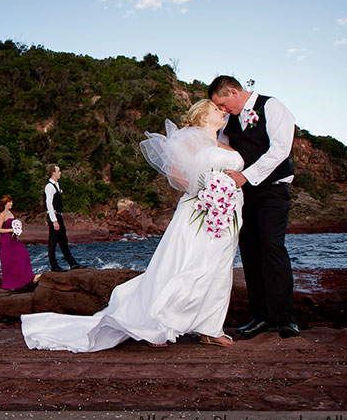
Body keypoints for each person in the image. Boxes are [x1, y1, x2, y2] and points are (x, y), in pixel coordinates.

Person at [22, 100, 240, 351]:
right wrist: (205, 190)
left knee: (220, 268)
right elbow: (175, 173)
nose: (221, 112)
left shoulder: (225, 144)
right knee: (188, 264)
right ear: (202, 117)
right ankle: (158, 322)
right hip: (199, 209)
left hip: (229, 213)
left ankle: (210, 328)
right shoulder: (191, 139)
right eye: (215, 109)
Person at [209, 75, 299, 339]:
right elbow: (225, 150)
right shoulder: (229, 121)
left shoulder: (272, 106)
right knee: (249, 251)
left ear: (235, 92)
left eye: (223, 104)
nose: (223, 110)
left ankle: (285, 318)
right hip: (243, 193)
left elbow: (280, 149)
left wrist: (246, 175)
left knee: (272, 247)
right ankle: (261, 316)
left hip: (272, 190)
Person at [0, 195, 40, 291]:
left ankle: (28, 278)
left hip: (14, 239)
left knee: (24, 255)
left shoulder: (10, 213)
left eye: (11, 202)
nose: (11, 203)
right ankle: (12, 284)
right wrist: (11, 230)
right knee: (10, 261)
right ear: (5, 204)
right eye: (9, 202)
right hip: (6, 240)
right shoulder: (2, 215)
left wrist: (17, 230)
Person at [44, 164, 82, 271]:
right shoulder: (49, 186)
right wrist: (54, 220)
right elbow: (49, 204)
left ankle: (72, 263)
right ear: (53, 173)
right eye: (58, 171)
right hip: (54, 217)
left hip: (59, 216)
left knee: (63, 241)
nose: (60, 173)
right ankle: (54, 266)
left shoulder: (56, 185)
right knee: (53, 241)